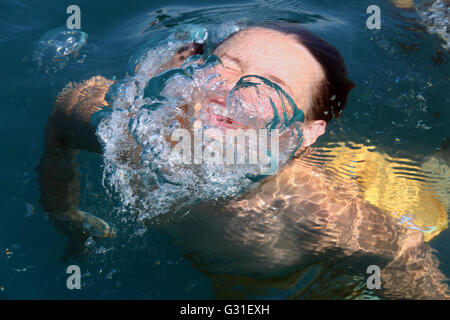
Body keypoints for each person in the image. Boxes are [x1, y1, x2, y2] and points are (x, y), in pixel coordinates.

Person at [37, 22, 449, 299]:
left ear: (308, 132)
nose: (228, 90)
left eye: (272, 87)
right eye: (223, 66)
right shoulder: (122, 129)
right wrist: (66, 216)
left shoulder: (320, 217)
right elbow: (62, 116)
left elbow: (403, 257)